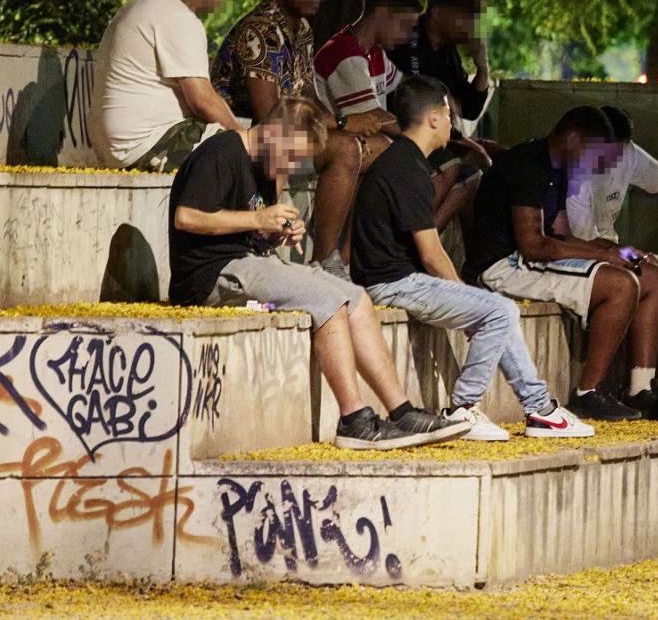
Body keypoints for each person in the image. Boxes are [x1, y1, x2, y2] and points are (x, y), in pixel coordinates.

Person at [168, 96, 469, 449]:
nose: (293, 165)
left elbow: (248, 228)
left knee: (356, 297)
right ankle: (354, 419)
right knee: (326, 300)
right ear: (275, 134)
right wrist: (257, 218)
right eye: (292, 154)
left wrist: (278, 231)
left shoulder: (263, 167)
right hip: (210, 273)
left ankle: (401, 411)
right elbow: (186, 217)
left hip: (249, 262)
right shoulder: (220, 152)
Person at [351, 76, 593, 440]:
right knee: (500, 310)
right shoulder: (406, 167)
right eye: (449, 114)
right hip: (393, 285)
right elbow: (432, 254)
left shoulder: (404, 160)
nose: (452, 123)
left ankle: (540, 409)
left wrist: (470, 303)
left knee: (496, 311)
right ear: (433, 118)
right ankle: (464, 408)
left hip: (400, 281)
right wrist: (467, 299)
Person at [463, 106, 645, 422]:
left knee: (637, 274)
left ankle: (636, 387)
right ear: (573, 138)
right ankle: (589, 393)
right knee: (620, 285)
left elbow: (559, 233)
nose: (592, 164)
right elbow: (534, 245)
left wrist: (611, 249)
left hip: (522, 261)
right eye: (591, 153)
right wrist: (602, 257)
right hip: (501, 267)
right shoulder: (528, 164)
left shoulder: (556, 168)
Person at [563, 105, 658, 416]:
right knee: (654, 276)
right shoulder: (578, 172)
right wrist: (629, 254)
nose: (614, 159)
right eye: (609, 151)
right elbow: (581, 241)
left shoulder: (627, 153)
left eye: (621, 150)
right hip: (588, 254)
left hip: (615, 250)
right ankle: (638, 387)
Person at [92, 0, 242, 171]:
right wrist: (245, 137)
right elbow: (202, 100)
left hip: (122, 147)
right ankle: (260, 208)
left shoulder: (146, 3)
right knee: (243, 149)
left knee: (243, 144)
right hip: (145, 147)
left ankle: (257, 207)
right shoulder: (176, 16)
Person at [310, 0, 421, 276]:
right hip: (323, 140)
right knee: (389, 151)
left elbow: (403, 90)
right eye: (404, 25)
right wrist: (419, 131)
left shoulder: (375, 54)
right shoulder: (344, 52)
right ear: (383, 14)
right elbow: (370, 118)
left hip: (350, 142)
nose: (407, 35)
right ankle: (332, 256)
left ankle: (351, 257)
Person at [389, 0, 495, 231]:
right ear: (436, 12)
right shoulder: (408, 41)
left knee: (500, 157)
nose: (470, 26)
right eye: (464, 17)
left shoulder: (448, 53)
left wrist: (482, 67)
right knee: (478, 165)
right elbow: (413, 100)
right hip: (407, 133)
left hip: (445, 134)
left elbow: (470, 110)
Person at [211, 0, 328, 122]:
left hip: (283, 128)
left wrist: (339, 122)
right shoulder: (259, 30)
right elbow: (268, 116)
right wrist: (337, 123)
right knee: (347, 147)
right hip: (239, 131)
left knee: (359, 141)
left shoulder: (303, 29)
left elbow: (307, 93)